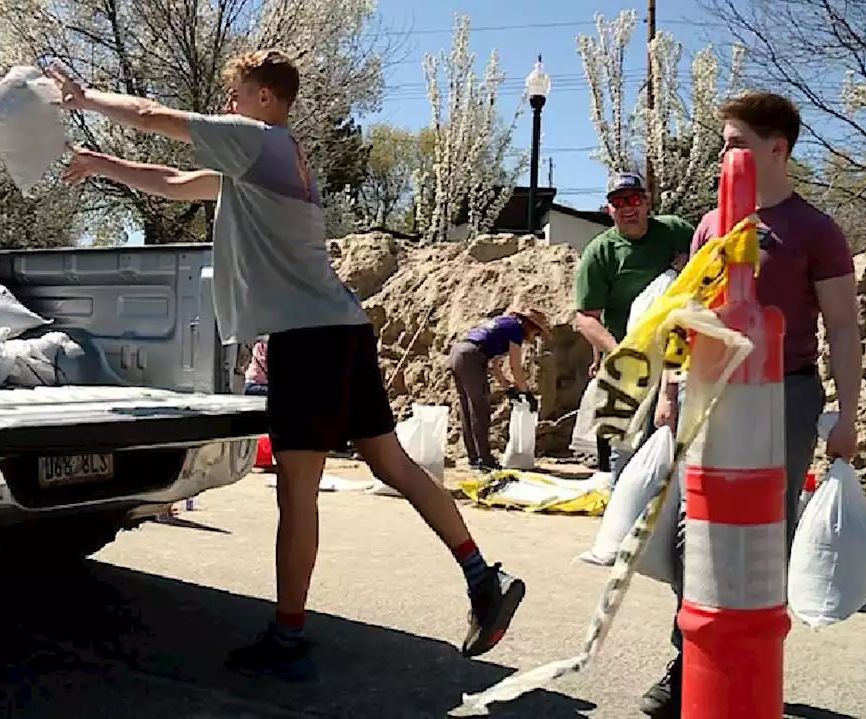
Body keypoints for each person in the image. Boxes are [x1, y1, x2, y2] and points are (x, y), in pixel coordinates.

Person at [43, 50, 525, 681]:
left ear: (266, 97)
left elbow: (153, 114)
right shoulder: (261, 165)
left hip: (309, 339)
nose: (228, 107)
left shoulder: (261, 141)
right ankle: (481, 577)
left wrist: (85, 100)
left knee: (297, 493)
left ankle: (289, 638)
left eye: (237, 94)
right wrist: (100, 163)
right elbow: (175, 181)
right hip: (343, 330)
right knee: (391, 462)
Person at [640, 91, 861, 718]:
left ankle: (749, 665)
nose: (723, 155)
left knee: (765, 535)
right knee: (693, 533)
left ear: (776, 149)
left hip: (784, 394)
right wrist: (670, 391)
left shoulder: (815, 230)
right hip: (711, 393)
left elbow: (843, 327)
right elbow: (690, 315)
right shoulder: (712, 225)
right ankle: (690, 660)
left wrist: (847, 415)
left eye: (734, 143)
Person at [575, 172, 693, 475]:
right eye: (618, 202)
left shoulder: (675, 231)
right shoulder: (600, 252)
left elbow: (706, 265)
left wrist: (687, 265)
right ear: (609, 210)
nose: (628, 208)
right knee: (623, 446)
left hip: (677, 356)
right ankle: (622, 503)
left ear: (647, 202)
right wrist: (618, 352)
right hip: (627, 365)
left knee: (676, 438)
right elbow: (586, 318)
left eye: (634, 199)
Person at [449, 309, 551, 471]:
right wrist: (527, 393)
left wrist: (507, 388)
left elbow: (494, 364)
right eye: (537, 334)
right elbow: (515, 366)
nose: (535, 338)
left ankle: (474, 458)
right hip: (471, 357)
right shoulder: (516, 330)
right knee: (480, 409)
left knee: (467, 408)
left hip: (458, 352)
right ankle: (485, 459)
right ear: (530, 326)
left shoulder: (504, 324)